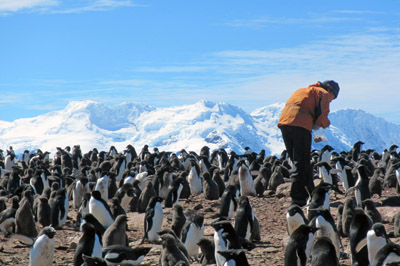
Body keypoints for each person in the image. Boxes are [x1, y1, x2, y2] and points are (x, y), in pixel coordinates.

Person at [277, 80, 340, 206]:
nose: (331, 100)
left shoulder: (301, 90)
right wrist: (325, 125)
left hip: (284, 123)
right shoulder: (323, 93)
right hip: (301, 125)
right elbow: (322, 116)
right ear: (331, 91)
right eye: (333, 97)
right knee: (301, 163)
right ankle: (298, 199)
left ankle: (310, 192)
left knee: (299, 161)